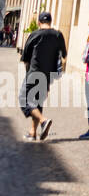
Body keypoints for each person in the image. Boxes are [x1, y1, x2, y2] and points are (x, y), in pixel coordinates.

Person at [20, 12, 66, 142]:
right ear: (50, 21)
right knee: (37, 102)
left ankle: (43, 121)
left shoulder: (35, 34)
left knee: (24, 99)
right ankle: (33, 132)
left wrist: (28, 73)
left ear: (39, 22)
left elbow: (26, 58)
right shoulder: (58, 35)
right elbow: (63, 55)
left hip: (34, 72)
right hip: (47, 75)